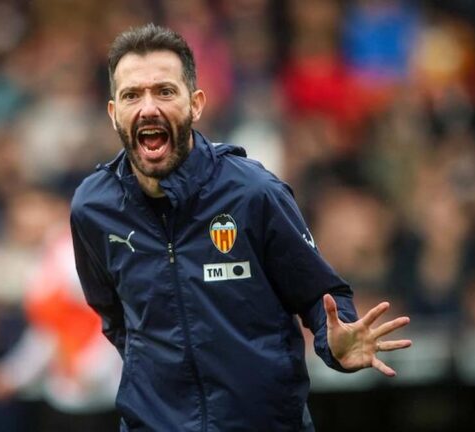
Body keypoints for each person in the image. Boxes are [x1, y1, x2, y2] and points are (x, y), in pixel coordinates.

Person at [70, 23, 412, 431]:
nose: (148, 108)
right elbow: (116, 319)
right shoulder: (93, 208)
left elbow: (322, 298)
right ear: (114, 113)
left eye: (165, 91)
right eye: (132, 95)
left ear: (195, 104)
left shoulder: (253, 193)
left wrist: (333, 344)